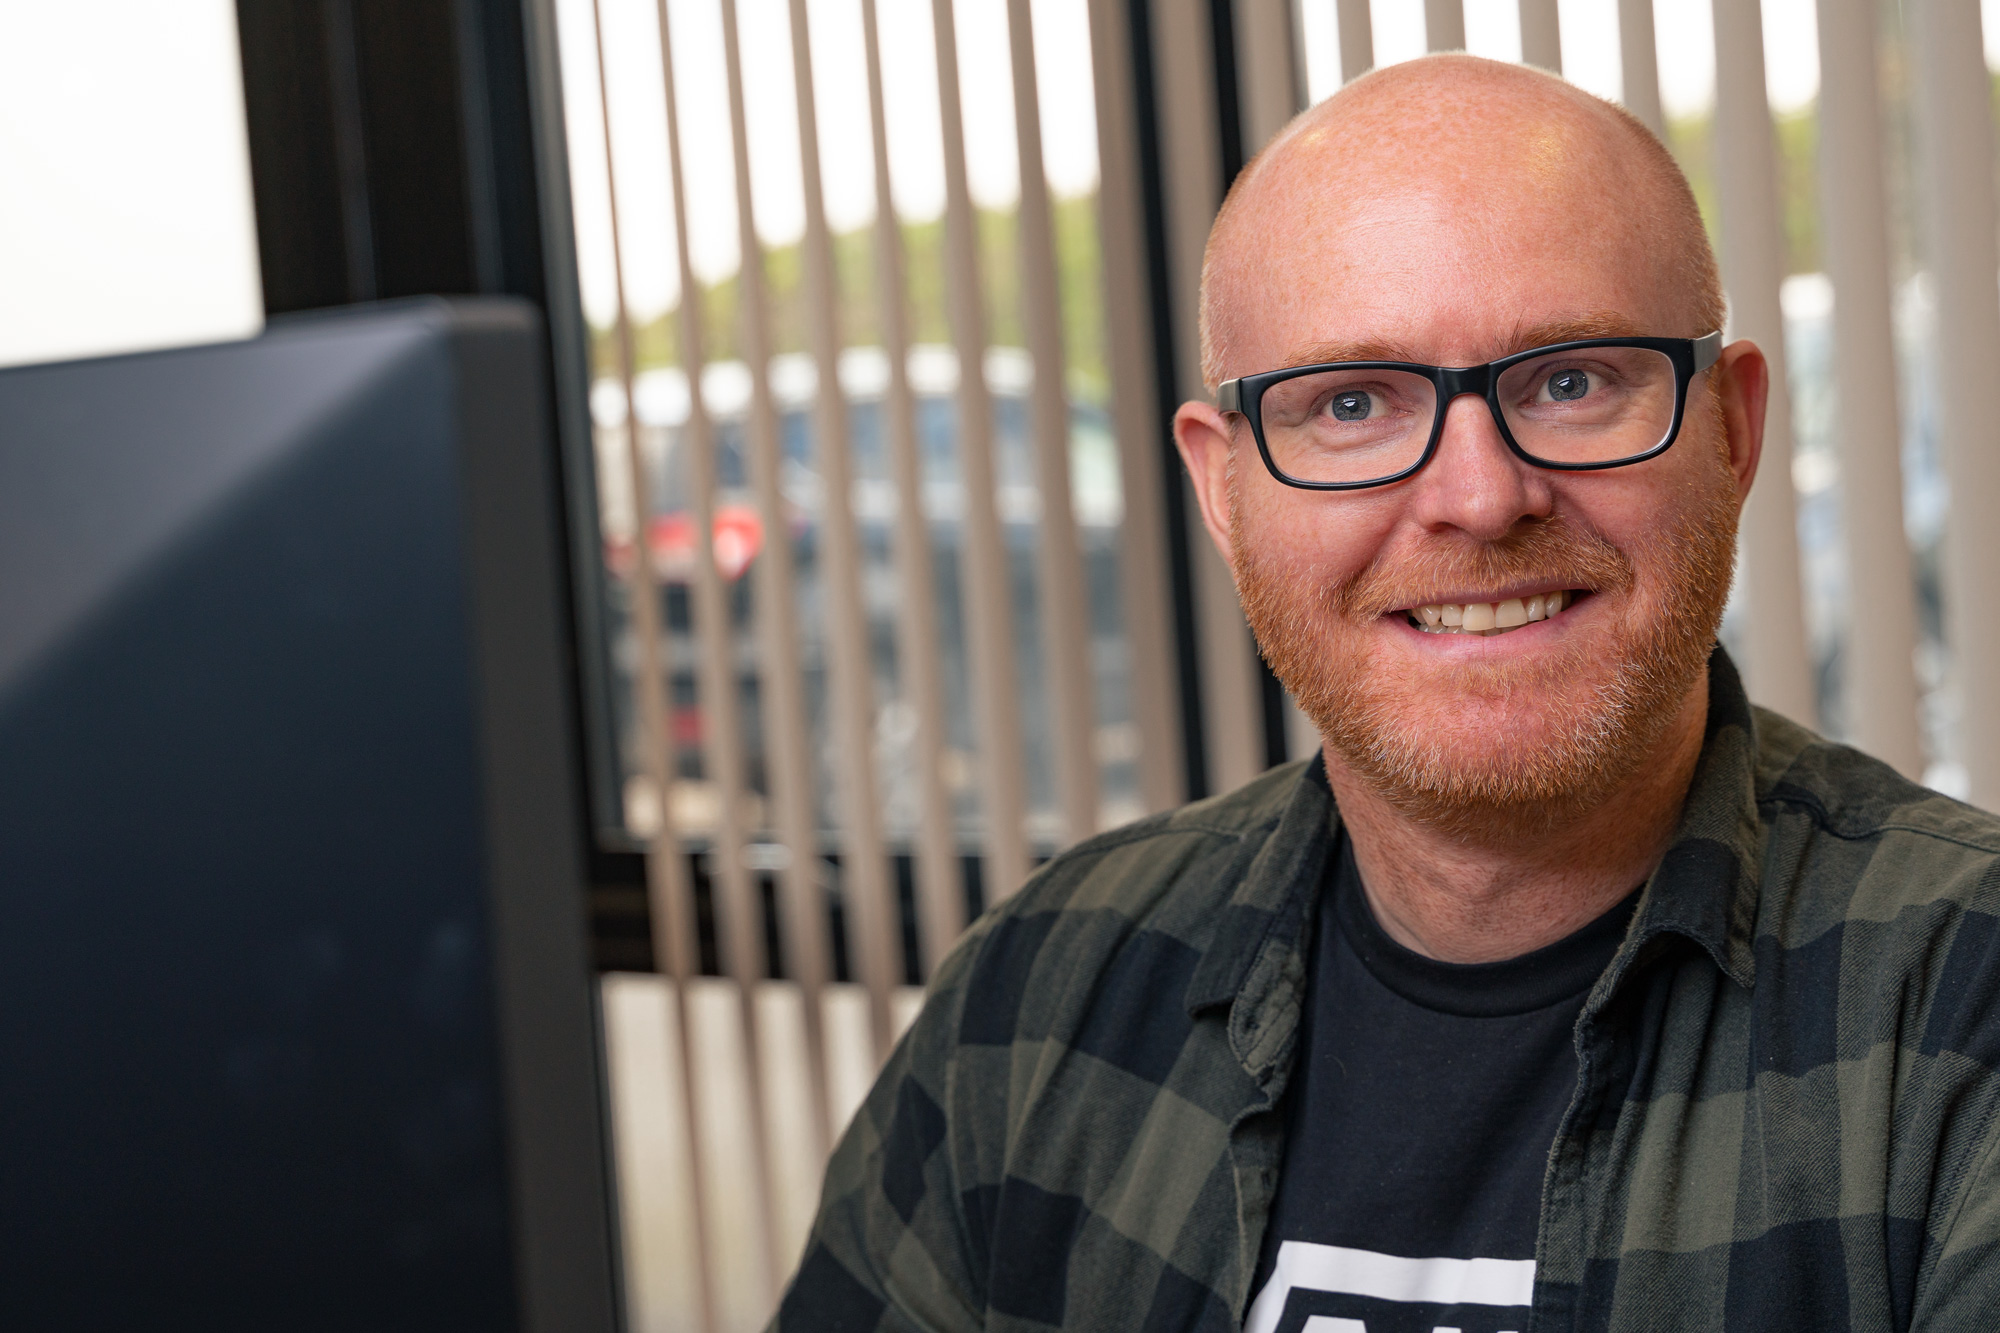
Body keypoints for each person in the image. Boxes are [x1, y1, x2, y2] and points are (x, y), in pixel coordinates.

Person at [772, 54, 2000, 1331]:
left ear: (1731, 430)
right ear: (1222, 491)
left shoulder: (1962, 1007)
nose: (1479, 497)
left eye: (1570, 381)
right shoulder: (1034, 1002)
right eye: (1352, 402)